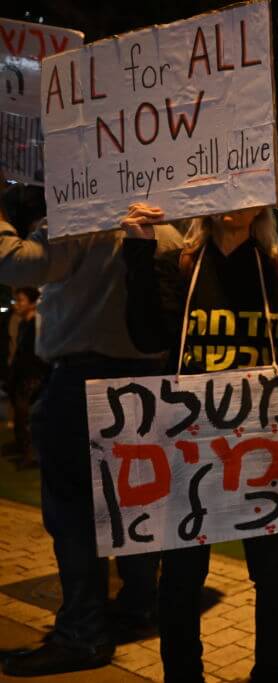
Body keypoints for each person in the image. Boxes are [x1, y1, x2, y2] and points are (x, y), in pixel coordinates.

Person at [120, 202, 278, 683]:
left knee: (272, 572)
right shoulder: (179, 266)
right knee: (183, 576)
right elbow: (146, 336)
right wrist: (138, 249)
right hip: (190, 448)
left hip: (257, 447)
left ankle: (269, 672)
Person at [0, 186, 173, 676]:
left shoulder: (85, 211)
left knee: (74, 513)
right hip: (147, 381)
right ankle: (137, 606)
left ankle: (82, 633)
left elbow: (19, 265)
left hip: (83, 379)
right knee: (138, 500)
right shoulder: (167, 219)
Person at [7, 287, 47, 467]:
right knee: (21, 416)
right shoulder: (23, 324)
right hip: (22, 376)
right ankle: (24, 450)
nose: (17, 304)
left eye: (21, 300)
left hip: (33, 377)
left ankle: (32, 455)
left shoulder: (37, 325)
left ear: (32, 303)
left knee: (29, 417)